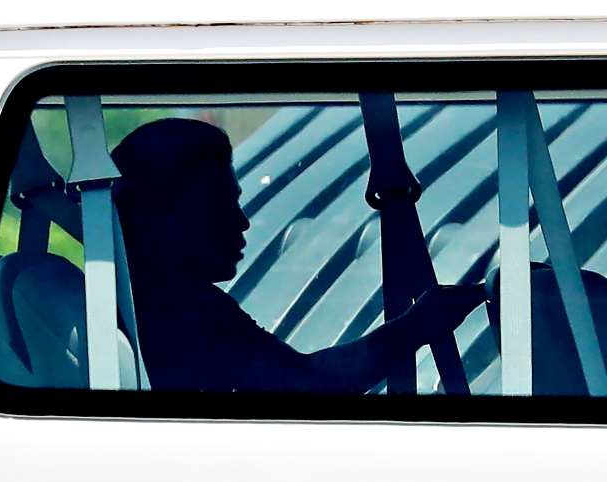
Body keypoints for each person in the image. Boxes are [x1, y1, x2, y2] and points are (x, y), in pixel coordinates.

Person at [111, 118, 485, 393]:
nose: (241, 222)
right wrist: (418, 325)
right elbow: (307, 383)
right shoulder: (179, 309)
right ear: (156, 216)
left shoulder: (123, 299)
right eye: (216, 206)